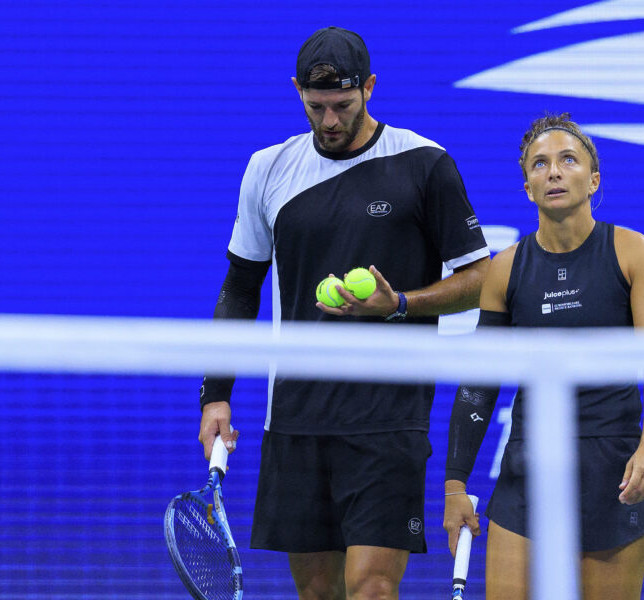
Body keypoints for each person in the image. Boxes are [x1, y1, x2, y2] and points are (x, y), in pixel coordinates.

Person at [197, 26, 490, 600]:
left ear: (371, 89)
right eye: (316, 107)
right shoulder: (268, 169)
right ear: (297, 93)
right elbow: (239, 288)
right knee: (318, 595)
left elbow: (481, 278)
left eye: (343, 106)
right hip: (298, 417)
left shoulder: (424, 165)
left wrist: (401, 303)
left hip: (389, 416)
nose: (330, 121)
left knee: (373, 588)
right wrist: (216, 392)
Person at [442, 113, 644, 600]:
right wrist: (453, 485)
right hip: (529, 466)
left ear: (592, 180)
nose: (553, 171)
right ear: (527, 187)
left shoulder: (632, 251)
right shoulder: (505, 267)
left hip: (612, 467)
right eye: (539, 164)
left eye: (568, 159)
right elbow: (479, 384)